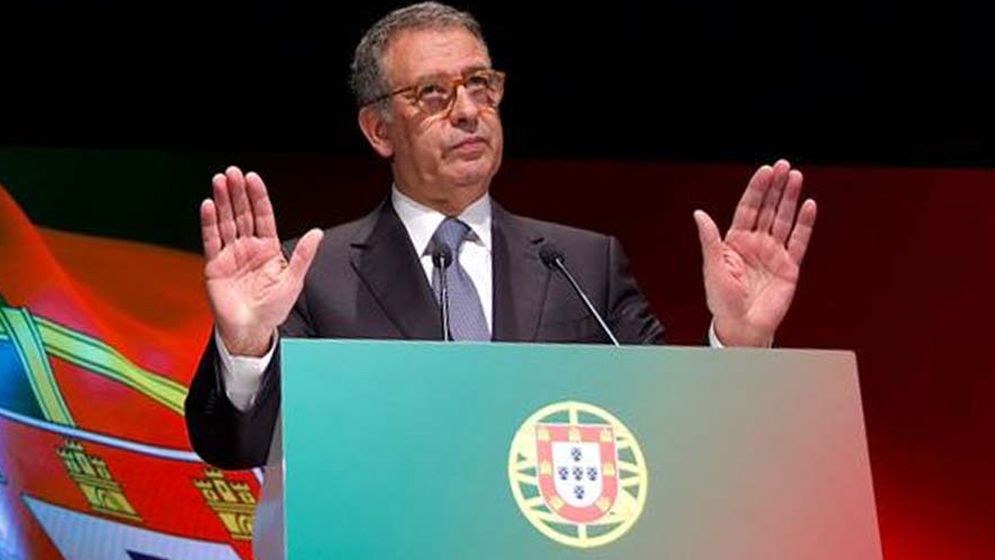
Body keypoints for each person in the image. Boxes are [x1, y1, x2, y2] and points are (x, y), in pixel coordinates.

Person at [184, 2, 817, 471]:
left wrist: (739, 342)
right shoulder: (312, 274)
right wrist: (246, 345)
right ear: (379, 130)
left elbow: (676, 435)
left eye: (480, 85)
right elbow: (236, 447)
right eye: (432, 93)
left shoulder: (582, 264)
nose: (467, 111)